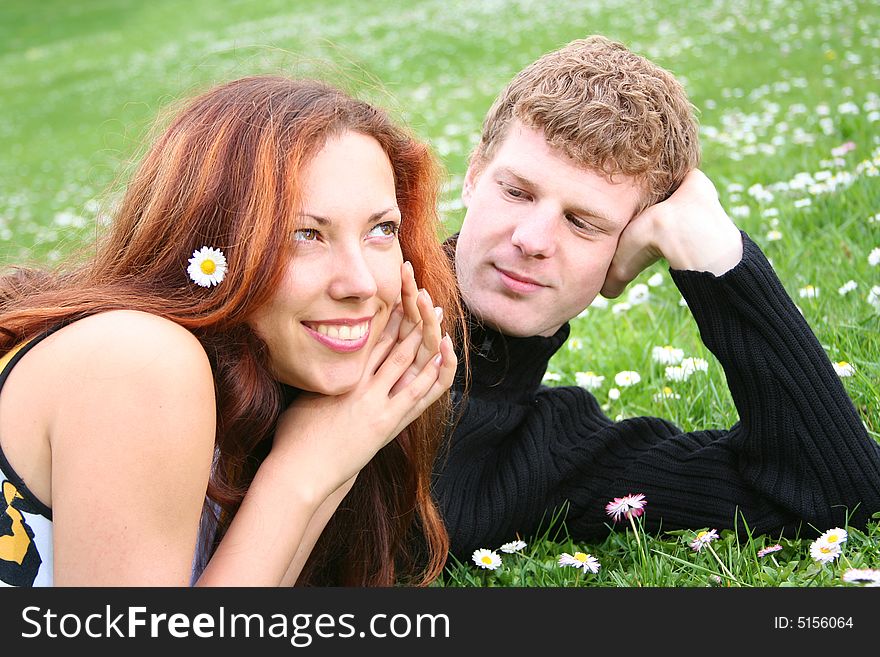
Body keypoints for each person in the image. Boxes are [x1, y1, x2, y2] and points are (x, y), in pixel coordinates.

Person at [0, 76, 463, 586]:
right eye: (304, 235)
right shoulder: (140, 361)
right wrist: (300, 476)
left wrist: (333, 454)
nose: (360, 282)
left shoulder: (272, 406)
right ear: (212, 251)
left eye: (381, 230)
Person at [432, 35, 880, 559]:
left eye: (582, 222)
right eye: (516, 192)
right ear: (471, 177)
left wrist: (717, 256)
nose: (531, 239)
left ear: (628, 248)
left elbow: (840, 495)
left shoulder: (553, 456)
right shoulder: (346, 305)